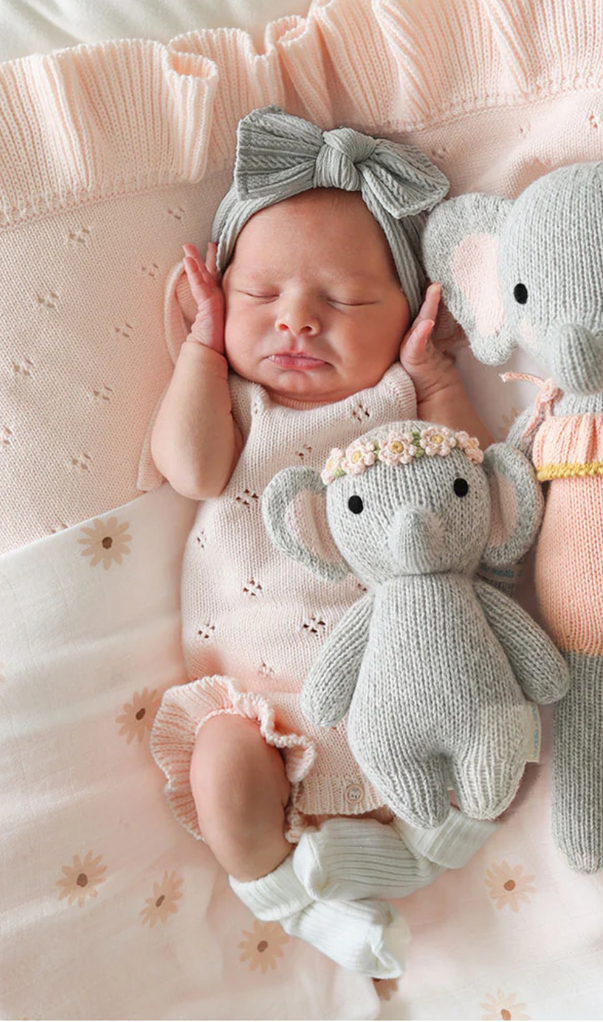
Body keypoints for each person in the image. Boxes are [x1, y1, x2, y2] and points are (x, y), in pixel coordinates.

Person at [149, 106, 495, 978]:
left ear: (410, 314)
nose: (297, 320)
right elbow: (188, 469)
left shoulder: (400, 403)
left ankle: (428, 847)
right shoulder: (237, 410)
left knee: (495, 730)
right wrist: (200, 346)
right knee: (221, 769)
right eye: (262, 297)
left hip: (403, 686)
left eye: (341, 300)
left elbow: (473, 493)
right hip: (259, 716)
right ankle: (292, 901)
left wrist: (437, 377)